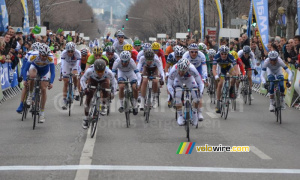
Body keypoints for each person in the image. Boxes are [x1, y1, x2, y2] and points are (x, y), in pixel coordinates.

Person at [22, 44, 55, 122]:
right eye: (43, 55)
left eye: (46, 56)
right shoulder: (34, 55)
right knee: (32, 76)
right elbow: (25, 69)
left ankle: (42, 113)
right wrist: (25, 79)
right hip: (35, 68)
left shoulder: (50, 57)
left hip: (45, 71)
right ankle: (30, 95)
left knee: (43, 89)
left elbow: (52, 72)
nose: (44, 57)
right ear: (39, 53)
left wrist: (51, 82)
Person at [80, 59, 116, 129]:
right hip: (93, 80)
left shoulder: (108, 72)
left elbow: (114, 82)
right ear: (94, 69)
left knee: (106, 91)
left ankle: (103, 104)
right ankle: (86, 118)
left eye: (101, 71)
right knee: (89, 97)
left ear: (104, 69)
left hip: (103, 80)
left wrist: (112, 92)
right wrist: (85, 89)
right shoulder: (89, 71)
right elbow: (82, 80)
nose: (100, 73)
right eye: (98, 71)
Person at [167, 58, 203, 126]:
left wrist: (200, 92)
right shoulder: (174, 70)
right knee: (177, 95)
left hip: (189, 79)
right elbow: (169, 84)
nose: (181, 73)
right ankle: (180, 116)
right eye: (179, 71)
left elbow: (200, 83)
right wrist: (172, 93)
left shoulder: (192, 69)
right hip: (178, 80)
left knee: (196, 96)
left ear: (187, 69)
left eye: (183, 71)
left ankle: (195, 113)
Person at [182, 43, 207, 121]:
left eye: (196, 52)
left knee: (199, 92)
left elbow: (204, 68)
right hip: (188, 69)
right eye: (192, 52)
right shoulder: (185, 56)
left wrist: (205, 77)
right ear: (189, 51)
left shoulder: (202, 55)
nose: (194, 53)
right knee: (184, 84)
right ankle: (183, 99)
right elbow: (182, 68)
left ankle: (199, 112)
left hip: (198, 69)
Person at [112, 51, 141, 115]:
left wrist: (138, 83)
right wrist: (113, 82)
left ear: (129, 60)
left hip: (131, 73)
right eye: (122, 61)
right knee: (121, 87)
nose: (124, 63)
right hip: (121, 73)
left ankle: (135, 104)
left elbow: (137, 73)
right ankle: (121, 105)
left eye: (126, 61)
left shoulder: (132, 62)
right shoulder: (117, 61)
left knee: (134, 87)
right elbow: (113, 74)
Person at [212, 45, 239, 113]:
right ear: (220, 53)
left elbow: (236, 67)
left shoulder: (230, 56)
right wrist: (216, 76)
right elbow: (214, 69)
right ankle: (218, 104)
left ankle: (231, 89)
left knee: (234, 75)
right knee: (220, 84)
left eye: (225, 54)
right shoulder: (217, 56)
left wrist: (238, 74)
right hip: (220, 69)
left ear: (227, 53)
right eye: (222, 54)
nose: (223, 55)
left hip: (228, 67)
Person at [16, 42, 41, 113]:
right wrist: (23, 76)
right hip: (29, 68)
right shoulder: (29, 54)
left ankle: (37, 103)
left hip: (38, 68)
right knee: (26, 85)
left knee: (41, 85)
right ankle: (21, 104)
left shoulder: (42, 54)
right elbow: (24, 66)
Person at [60, 42, 81, 108]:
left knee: (74, 75)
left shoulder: (77, 53)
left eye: (72, 51)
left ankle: (75, 88)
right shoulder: (63, 53)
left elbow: (78, 64)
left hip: (75, 64)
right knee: (65, 82)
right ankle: (64, 100)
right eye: (68, 51)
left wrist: (77, 72)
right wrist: (61, 73)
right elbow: (62, 65)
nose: (70, 53)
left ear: (74, 50)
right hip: (67, 64)